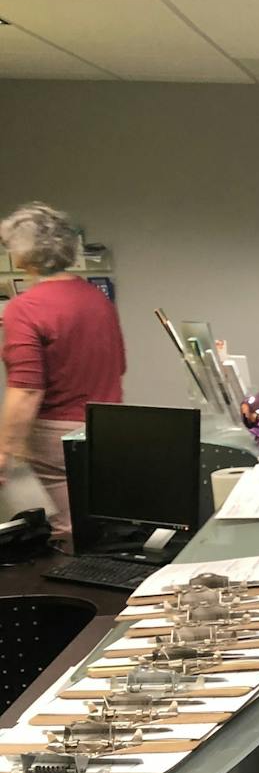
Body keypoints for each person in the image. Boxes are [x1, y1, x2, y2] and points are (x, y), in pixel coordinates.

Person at [0, 202, 125, 538]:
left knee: (69, 535)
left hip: (57, 438)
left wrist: (3, 450)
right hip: (110, 426)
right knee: (106, 526)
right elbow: (118, 366)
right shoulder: (97, 300)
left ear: (21, 254)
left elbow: (26, 389)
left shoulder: (24, 308)